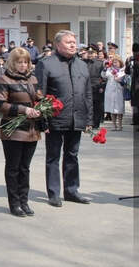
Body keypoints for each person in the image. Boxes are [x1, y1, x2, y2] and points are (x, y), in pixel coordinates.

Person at [35, 30, 93, 207]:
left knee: (72, 155)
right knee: (53, 156)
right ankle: (54, 193)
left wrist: (89, 120)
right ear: (58, 45)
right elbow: (39, 94)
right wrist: (42, 121)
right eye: (69, 42)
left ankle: (72, 190)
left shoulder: (82, 65)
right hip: (55, 119)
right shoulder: (46, 64)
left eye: (74, 42)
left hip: (76, 117)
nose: (73, 45)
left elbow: (88, 94)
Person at [0, 48, 43, 217]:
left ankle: (24, 201)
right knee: (13, 168)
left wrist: (42, 107)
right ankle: (14, 203)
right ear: (12, 63)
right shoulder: (4, 79)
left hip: (31, 130)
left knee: (25, 168)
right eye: (19, 62)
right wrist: (24, 110)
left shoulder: (33, 78)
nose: (23, 65)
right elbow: (0, 106)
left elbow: (38, 98)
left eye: (26, 62)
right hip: (13, 130)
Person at [102, 55, 125, 131]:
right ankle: (114, 125)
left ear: (120, 62)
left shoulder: (123, 70)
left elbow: (125, 81)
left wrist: (120, 80)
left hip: (119, 91)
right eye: (114, 62)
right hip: (110, 90)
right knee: (112, 108)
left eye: (116, 62)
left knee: (119, 108)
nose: (115, 64)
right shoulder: (109, 69)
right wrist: (105, 69)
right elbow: (103, 76)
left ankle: (120, 125)